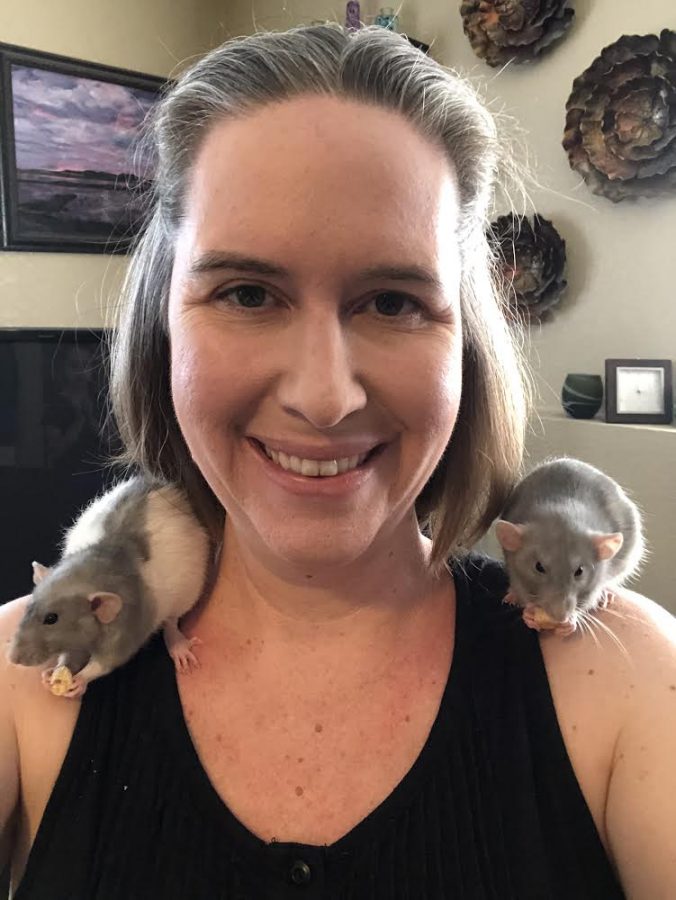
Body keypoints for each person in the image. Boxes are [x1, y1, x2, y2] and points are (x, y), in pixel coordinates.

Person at [1, 23, 674, 899]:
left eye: (393, 301)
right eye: (247, 293)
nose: (325, 398)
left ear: (466, 345)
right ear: (163, 325)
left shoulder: (626, 682)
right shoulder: (21, 689)